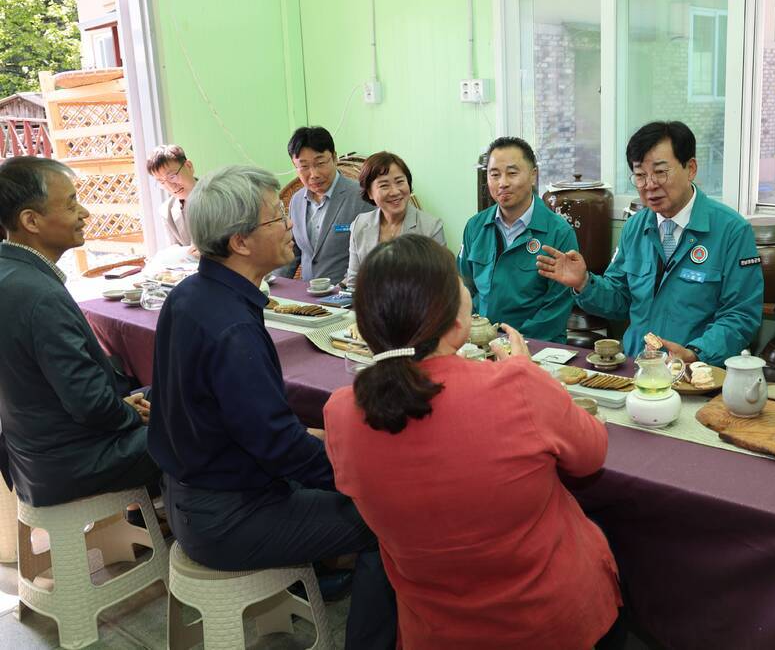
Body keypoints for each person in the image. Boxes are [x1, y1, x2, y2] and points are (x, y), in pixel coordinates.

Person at [324, 234, 624, 650]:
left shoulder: (342, 412)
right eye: (460, 284)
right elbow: (592, 455)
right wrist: (529, 374)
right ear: (453, 318)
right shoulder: (518, 384)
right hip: (548, 622)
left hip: (437, 630)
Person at [147, 165, 396, 649]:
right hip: (227, 515)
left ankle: (322, 568)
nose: (288, 224)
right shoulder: (231, 327)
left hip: (188, 494)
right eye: (277, 216)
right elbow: (280, 447)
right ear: (240, 241)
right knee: (386, 522)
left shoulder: (190, 294)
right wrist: (361, 479)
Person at [0, 156, 157, 506]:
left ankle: (163, 512)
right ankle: (203, 526)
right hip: (71, 462)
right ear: (31, 220)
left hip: (31, 454)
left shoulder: (10, 273)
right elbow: (91, 407)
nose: (84, 213)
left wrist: (120, 407)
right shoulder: (39, 296)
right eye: (72, 203)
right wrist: (126, 412)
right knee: (200, 422)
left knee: (172, 394)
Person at [538, 121, 763, 363]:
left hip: (697, 373)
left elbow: (740, 315)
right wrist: (585, 283)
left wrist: (695, 354)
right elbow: (620, 299)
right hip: (636, 367)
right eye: (640, 175)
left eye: (660, 172)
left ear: (691, 168)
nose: (650, 185)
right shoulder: (635, 227)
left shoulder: (731, 230)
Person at [457, 136, 578, 342]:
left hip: (538, 347)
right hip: (481, 344)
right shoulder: (475, 227)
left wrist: (514, 343)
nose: (502, 183)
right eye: (494, 174)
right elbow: (463, 288)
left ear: (533, 176)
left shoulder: (559, 232)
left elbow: (557, 306)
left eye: (512, 173)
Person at [276, 126, 373, 282]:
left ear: (334, 158)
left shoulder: (362, 197)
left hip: (347, 297)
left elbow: (372, 256)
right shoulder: (296, 200)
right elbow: (292, 250)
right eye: (304, 167)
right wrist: (273, 286)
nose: (314, 174)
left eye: (320, 163)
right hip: (307, 297)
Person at [341, 151, 445, 289]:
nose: (395, 191)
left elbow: (440, 284)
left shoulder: (431, 227)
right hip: (370, 308)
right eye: (384, 185)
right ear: (370, 193)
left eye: (400, 182)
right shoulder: (359, 225)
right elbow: (354, 282)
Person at [146, 144, 198, 247]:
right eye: (161, 182)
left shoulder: (221, 197)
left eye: (172, 176)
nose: (170, 186)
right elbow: (175, 252)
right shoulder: (166, 211)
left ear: (189, 166)